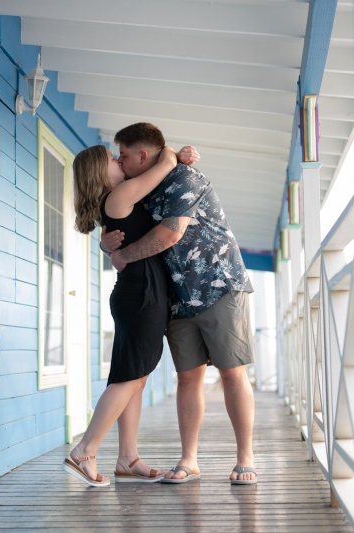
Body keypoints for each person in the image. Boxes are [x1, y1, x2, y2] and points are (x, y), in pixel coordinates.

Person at [101, 122, 257, 485]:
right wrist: (107, 245)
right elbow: (123, 223)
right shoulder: (139, 187)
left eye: (123, 155)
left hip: (217, 284)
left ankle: (245, 458)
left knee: (232, 372)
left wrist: (121, 255)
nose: (120, 163)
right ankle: (189, 459)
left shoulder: (184, 178)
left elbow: (170, 232)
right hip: (175, 295)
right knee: (188, 377)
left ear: (143, 155)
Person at [62, 142, 200, 487]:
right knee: (131, 377)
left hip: (137, 291)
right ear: (99, 170)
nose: (117, 160)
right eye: (112, 158)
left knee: (134, 375)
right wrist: (173, 153)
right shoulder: (119, 196)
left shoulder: (118, 200)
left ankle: (128, 459)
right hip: (141, 293)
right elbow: (162, 164)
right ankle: (84, 452)